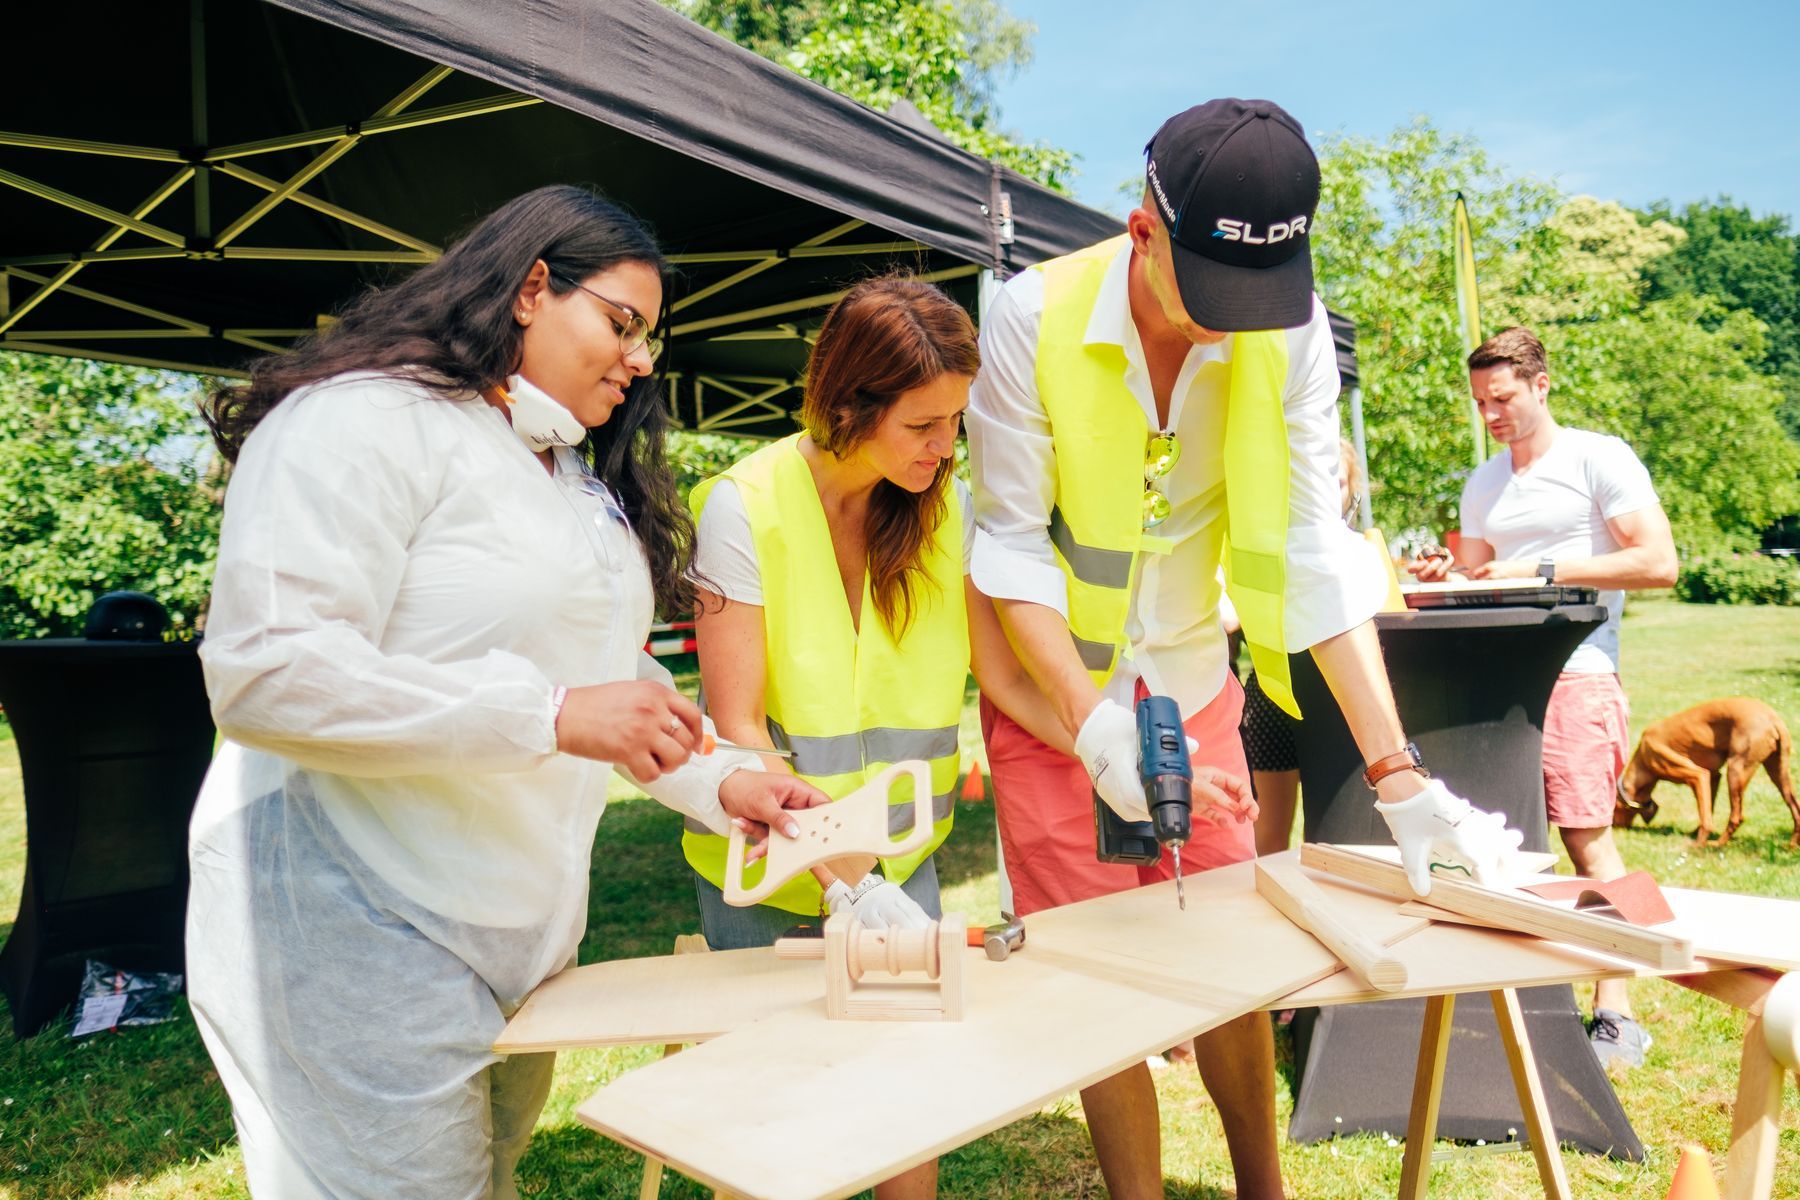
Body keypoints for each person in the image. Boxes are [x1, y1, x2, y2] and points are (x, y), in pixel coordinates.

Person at [188, 185, 826, 1199]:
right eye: (622, 324)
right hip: (354, 910)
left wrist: (725, 784)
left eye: (649, 337)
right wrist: (546, 716)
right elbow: (270, 671)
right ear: (532, 289)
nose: (643, 359)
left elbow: (617, 678)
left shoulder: (565, 476)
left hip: (515, 937)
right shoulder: (357, 421)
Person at [965, 98, 1525, 1200]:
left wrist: (1400, 779)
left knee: (1228, 960)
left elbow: (1316, 548)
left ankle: (1261, 1189)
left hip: (1195, 682)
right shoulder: (1028, 315)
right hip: (1055, 698)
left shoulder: (1297, 327)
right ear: (1142, 232)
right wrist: (1088, 725)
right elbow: (1011, 545)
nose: (1231, 325)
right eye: (1209, 292)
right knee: (1094, 971)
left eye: (1256, 297)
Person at [688, 276, 1070, 1200]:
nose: (945, 450)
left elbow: (1008, 676)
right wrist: (843, 879)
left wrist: (1107, 747)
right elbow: (737, 725)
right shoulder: (742, 507)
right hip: (766, 875)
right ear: (849, 406)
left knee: (907, 1109)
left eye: (956, 424)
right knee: (776, 1137)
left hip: (903, 870)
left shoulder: (949, 512)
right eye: (922, 426)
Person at [1411, 325, 1678, 1067]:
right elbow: (1470, 574)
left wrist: (1542, 569)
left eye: (1502, 399)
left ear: (1540, 385)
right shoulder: (1485, 481)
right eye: (1480, 404)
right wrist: (1446, 570)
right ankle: (1522, 998)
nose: (1491, 415)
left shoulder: (1599, 456)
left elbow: (1659, 562)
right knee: (1506, 839)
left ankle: (1621, 1009)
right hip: (1496, 683)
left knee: (1588, 836)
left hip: (1577, 671)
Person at [1239, 438, 1365, 856]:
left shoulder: (1363, 552)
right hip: (1276, 692)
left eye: (1340, 482)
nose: (1330, 492)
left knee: (1336, 829)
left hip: (1336, 699)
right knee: (1269, 834)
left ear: (1354, 490)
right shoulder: (1261, 545)